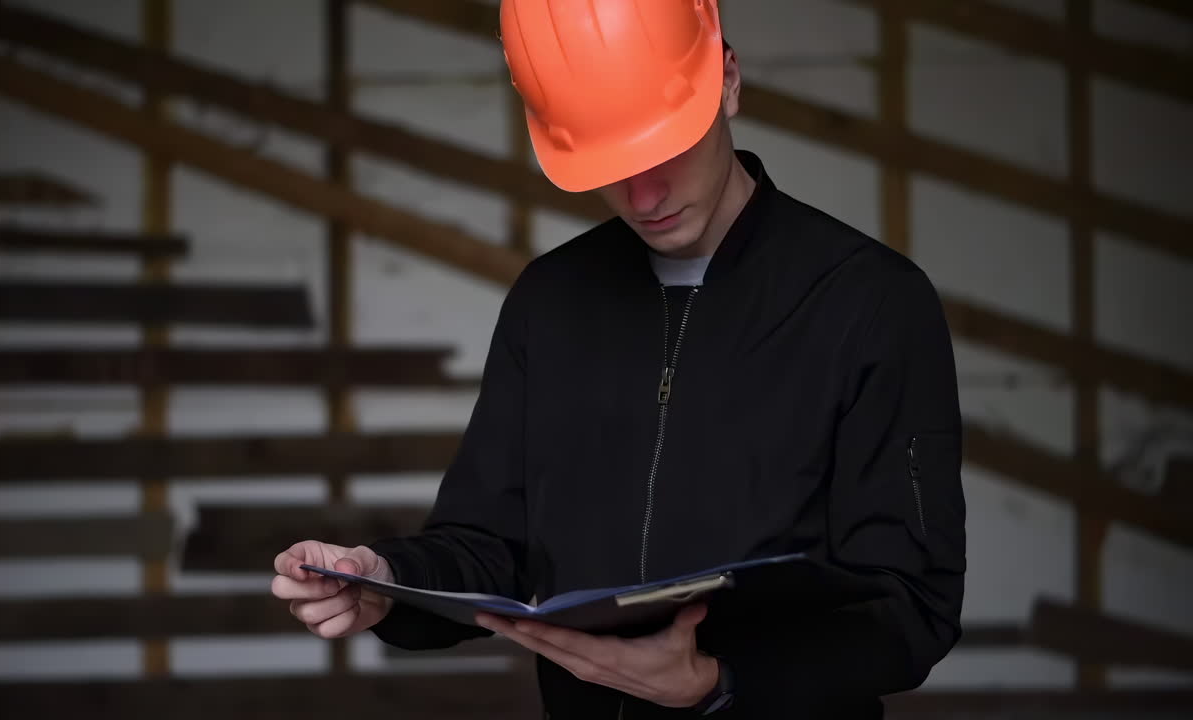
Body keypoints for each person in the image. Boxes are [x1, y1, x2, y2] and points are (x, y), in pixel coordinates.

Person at [271, 1, 966, 717]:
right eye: (610, 163)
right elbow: (487, 546)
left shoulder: (869, 303)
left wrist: (720, 678)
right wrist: (384, 581)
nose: (644, 195)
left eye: (666, 150)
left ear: (727, 81)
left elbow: (912, 605)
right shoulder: (549, 303)